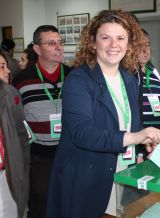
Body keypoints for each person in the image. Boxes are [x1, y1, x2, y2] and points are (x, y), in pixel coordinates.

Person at [46, 9, 160, 218]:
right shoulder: (79, 80)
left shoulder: (129, 79)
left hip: (122, 173)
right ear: (92, 42)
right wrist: (134, 137)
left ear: (129, 43)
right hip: (86, 178)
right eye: (105, 37)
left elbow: (132, 122)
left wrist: (141, 143)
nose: (113, 45)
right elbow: (83, 133)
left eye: (120, 38)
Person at [12, 25, 71, 218]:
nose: (59, 47)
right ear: (37, 49)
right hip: (38, 157)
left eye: (60, 43)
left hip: (70, 153)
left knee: (68, 203)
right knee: (41, 205)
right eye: (51, 43)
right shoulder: (21, 80)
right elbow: (16, 120)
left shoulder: (74, 77)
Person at [136, 29, 160, 162]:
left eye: (147, 45)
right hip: (139, 146)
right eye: (140, 46)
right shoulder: (128, 74)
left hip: (159, 143)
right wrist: (137, 153)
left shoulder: (153, 71)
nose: (145, 50)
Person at [0, 50, 30, 217]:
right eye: (2, 67)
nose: (8, 71)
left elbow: (22, 135)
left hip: (6, 175)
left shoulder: (10, 94)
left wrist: (22, 167)